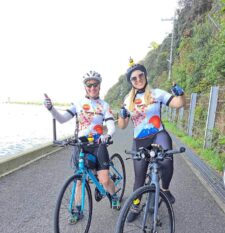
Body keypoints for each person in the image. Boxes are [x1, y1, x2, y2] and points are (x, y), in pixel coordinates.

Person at [44, 70, 121, 223]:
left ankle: (114, 195)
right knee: (79, 179)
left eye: (95, 84)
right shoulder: (78, 104)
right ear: (85, 87)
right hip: (81, 145)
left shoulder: (104, 106)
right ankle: (78, 210)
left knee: (105, 180)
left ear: (99, 86)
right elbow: (61, 119)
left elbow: (111, 126)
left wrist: (107, 135)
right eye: (89, 84)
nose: (92, 87)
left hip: (98, 145)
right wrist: (51, 108)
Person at [118, 58, 186, 222]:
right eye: (134, 78)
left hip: (158, 134)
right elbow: (122, 126)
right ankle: (135, 205)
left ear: (145, 75)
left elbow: (179, 104)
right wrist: (122, 116)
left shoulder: (157, 93)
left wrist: (181, 94)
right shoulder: (128, 100)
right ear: (131, 82)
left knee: (167, 161)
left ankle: (165, 188)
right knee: (139, 180)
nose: (138, 79)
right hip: (140, 140)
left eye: (141, 75)